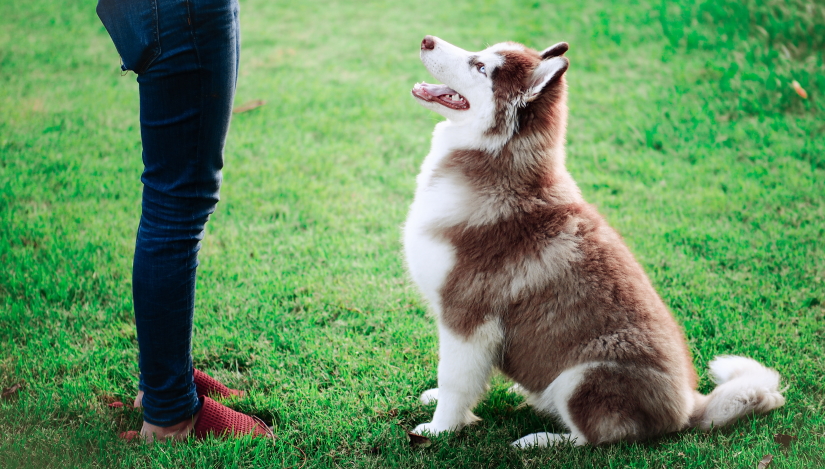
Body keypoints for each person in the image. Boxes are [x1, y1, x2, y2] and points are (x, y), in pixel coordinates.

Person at [96, 0, 272, 441]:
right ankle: (170, 414)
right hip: (180, 10)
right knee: (179, 201)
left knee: (173, 196)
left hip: (164, 10)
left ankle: (163, 384)